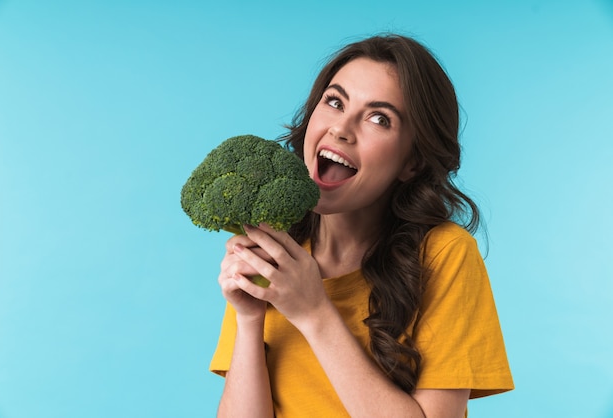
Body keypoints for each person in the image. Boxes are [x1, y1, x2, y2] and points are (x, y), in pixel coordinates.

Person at [210, 33, 514, 418]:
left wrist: (314, 312)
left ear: (413, 163)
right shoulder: (274, 250)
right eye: (335, 102)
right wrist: (250, 319)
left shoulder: (443, 255)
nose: (341, 128)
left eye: (379, 118)